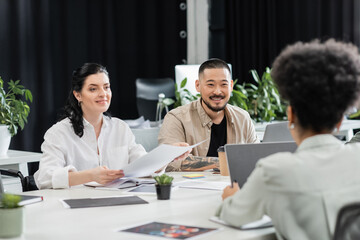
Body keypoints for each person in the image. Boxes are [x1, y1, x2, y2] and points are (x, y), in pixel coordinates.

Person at [216, 39, 360, 240]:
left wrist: (231, 198)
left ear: (291, 116)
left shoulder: (275, 170)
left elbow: (235, 215)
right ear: (340, 121)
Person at [35, 63, 188, 189]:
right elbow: (45, 178)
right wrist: (91, 175)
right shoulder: (58, 133)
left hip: (117, 204)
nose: (103, 94)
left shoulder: (120, 128)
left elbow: (143, 165)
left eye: (106, 87)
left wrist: (168, 155)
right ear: (78, 95)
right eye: (93, 89)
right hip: (77, 209)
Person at [158, 58, 259, 171]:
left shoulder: (242, 117)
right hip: (192, 187)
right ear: (198, 85)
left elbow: (256, 157)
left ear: (231, 86)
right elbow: (169, 162)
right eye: (210, 84)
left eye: (223, 84)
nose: (217, 91)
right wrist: (223, 162)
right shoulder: (177, 118)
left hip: (233, 185)